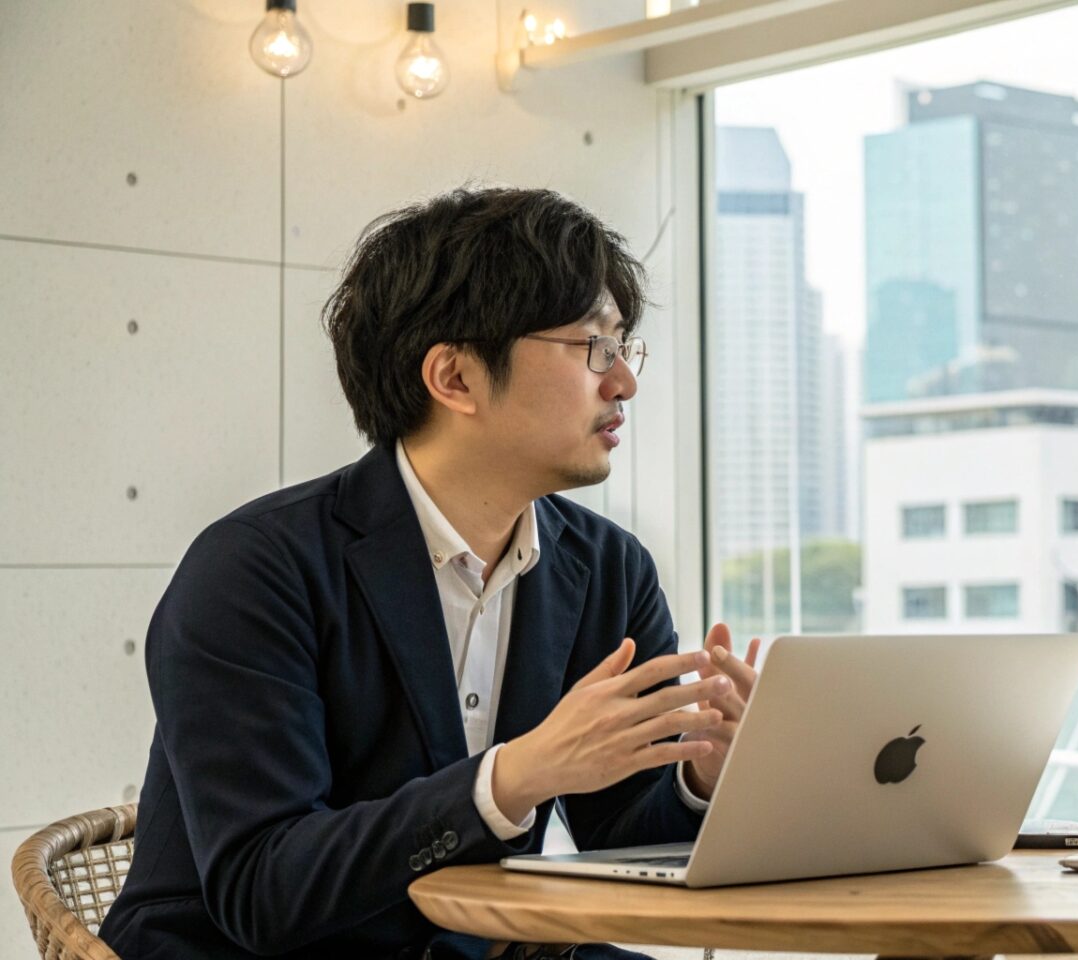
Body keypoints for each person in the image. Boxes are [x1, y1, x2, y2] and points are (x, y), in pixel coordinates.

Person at [100, 187, 759, 960]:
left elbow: (617, 841)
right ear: (453, 377)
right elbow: (262, 888)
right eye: (593, 348)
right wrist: (509, 779)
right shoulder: (254, 568)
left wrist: (703, 780)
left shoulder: (611, 569)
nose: (623, 384)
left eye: (624, 348)